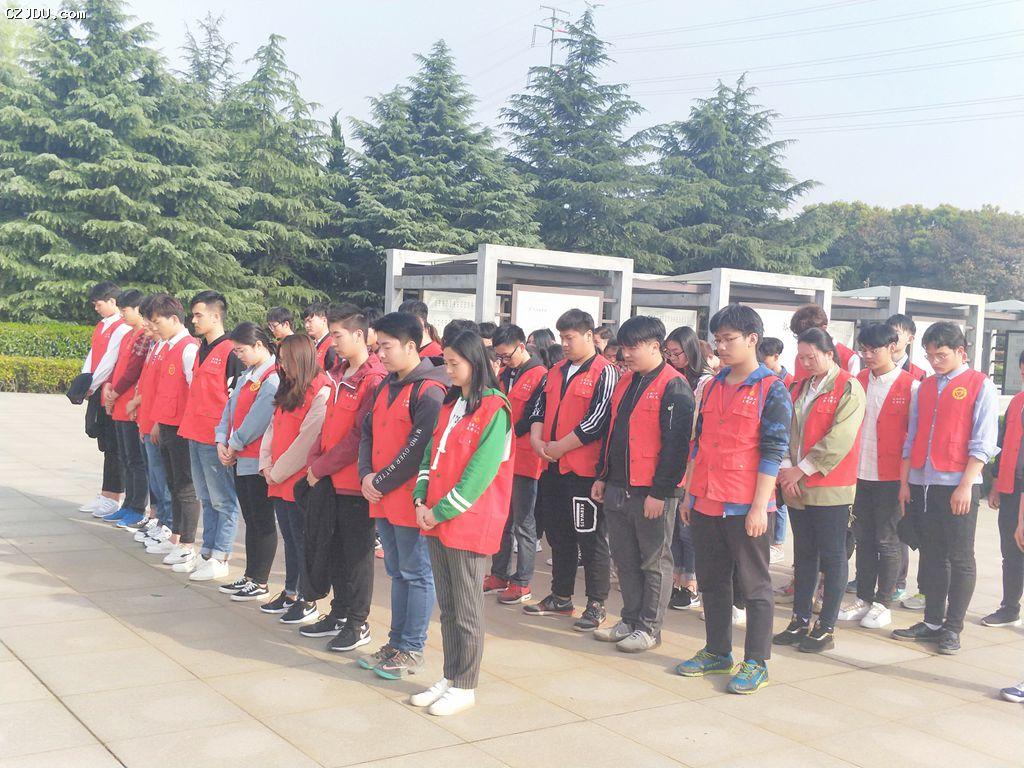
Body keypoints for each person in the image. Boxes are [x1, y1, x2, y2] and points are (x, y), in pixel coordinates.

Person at [675, 304, 791, 695]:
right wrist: (689, 495)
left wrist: (760, 507)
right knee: (712, 582)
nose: (721, 347)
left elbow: (773, 452)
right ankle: (717, 651)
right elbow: (698, 444)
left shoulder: (771, 389)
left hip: (745, 505)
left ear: (752, 339)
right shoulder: (711, 386)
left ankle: (756, 662)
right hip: (706, 499)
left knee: (754, 586)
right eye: (718, 340)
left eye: (729, 339)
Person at [410, 330, 515, 716]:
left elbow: (478, 475)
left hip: (467, 520)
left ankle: (466, 685)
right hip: (437, 517)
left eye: (455, 364)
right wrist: (420, 498)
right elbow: (430, 456)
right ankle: (451, 676)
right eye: (446, 363)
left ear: (475, 362)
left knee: (468, 609)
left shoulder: (495, 408)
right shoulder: (450, 404)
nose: (449, 370)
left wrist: (438, 511)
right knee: (450, 606)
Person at [891, 322, 998, 655]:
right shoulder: (924, 387)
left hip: (958, 484)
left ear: (960, 352)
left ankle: (953, 628)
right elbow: (911, 437)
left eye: (941, 355)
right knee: (933, 555)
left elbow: (984, 441)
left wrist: (966, 485)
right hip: (923, 483)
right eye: (930, 355)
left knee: (960, 557)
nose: (935, 361)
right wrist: (905, 482)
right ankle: (933, 621)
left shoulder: (980, 384)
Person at [592, 316, 694, 652]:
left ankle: (650, 628)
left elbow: (677, 446)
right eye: (623, 347)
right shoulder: (626, 381)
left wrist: (660, 492)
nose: (626, 354)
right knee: (624, 557)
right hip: (619, 486)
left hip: (651, 491)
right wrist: (603, 475)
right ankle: (630, 619)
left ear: (655, 346)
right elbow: (612, 434)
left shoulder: (674, 386)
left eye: (633, 347)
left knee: (654, 560)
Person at [357, 311, 447, 679]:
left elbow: (417, 449)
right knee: (397, 572)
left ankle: (412, 648)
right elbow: (367, 432)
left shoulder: (430, 391)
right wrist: (366, 474)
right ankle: (395, 644)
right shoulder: (386, 385)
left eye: (387, 347)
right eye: (377, 347)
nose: (380, 354)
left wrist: (380, 480)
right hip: (382, 497)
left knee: (416, 573)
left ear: (411, 346)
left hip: (409, 498)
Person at [300, 306, 386, 652]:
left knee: (357, 556)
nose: (333, 342)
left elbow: (357, 437)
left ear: (359, 335)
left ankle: (357, 621)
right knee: (333, 548)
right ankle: (339, 612)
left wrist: (319, 468)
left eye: (338, 335)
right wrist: (314, 462)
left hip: (354, 483)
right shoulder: (338, 373)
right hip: (329, 480)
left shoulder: (373, 379)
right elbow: (327, 427)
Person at [525, 308, 617, 632]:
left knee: (590, 538)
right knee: (558, 534)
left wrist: (559, 447)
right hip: (552, 468)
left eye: (570, 338)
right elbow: (538, 407)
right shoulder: (555, 371)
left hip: (583, 472)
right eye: (561, 338)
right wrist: (537, 440)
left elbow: (596, 421)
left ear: (589, 336)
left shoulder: (605, 372)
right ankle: (561, 596)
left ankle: (596, 603)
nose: (564, 344)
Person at [775, 328, 865, 653]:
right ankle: (799, 620)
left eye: (811, 357)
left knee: (833, 555)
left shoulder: (848, 387)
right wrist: (787, 469)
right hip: (795, 485)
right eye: (801, 357)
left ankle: (825, 627)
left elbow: (840, 438)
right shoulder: (798, 386)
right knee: (804, 555)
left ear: (829, 353)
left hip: (830, 487)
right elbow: (785, 428)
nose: (806, 362)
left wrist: (801, 469)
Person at [837, 323, 918, 631]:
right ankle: (864, 597)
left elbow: (914, 437)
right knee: (864, 538)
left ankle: (884, 603)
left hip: (891, 477)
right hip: (860, 474)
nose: (868, 355)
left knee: (887, 540)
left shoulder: (910, 386)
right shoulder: (857, 381)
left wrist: (908, 482)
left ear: (892, 347)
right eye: (864, 350)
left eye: (874, 349)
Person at [259, 335, 331, 623]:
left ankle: (307, 597)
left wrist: (276, 472)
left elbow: (307, 440)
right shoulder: (288, 387)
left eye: (287, 360)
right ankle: (291, 591)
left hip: (298, 480)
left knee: (303, 542)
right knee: (290, 539)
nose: (283, 366)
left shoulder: (321, 390)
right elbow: (272, 428)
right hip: (278, 478)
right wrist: (265, 464)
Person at [177, 291, 244, 580]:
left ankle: (221, 556)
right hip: (194, 432)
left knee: (223, 500)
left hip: (215, 437)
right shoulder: (200, 348)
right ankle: (207, 553)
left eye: (198, 315)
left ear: (216, 316)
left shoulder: (231, 351)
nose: (193, 320)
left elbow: (237, 399)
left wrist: (228, 439)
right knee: (206, 497)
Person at [215, 323, 280, 602]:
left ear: (258, 346)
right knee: (250, 519)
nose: (238, 356)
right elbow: (229, 409)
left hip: (256, 459)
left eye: (241, 350)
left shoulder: (272, 378)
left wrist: (234, 443)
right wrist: (221, 439)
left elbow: (258, 419)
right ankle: (250, 574)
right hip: (240, 456)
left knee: (261, 520)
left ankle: (261, 580)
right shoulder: (247, 375)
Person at [485, 324, 547, 604]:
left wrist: (504, 432)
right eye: (499, 357)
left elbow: (531, 417)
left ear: (521, 346)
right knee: (502, 519)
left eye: (507, 355)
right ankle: (499, 573)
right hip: (501, 457)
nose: (504, 361)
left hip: (525, 459)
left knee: (523, 522)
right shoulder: (504, 374)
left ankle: (522, 582)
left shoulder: (540, 375)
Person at [147, 294, 201, 572]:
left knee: (185, 486)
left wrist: (189, 428)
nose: (155, 327)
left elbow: (194, 391)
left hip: (182, 429)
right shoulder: (168, 346)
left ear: (174, 319)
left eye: (158, 322)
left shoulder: (188, 348)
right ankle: (176, 536)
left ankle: (187, 544)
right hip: (167, 425)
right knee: (173, 483)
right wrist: (158, 421)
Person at [77, 281, 130, 518]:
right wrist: (84, 380)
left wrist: (92, 384)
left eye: (98, 304)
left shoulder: (121, 327)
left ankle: (114, 496)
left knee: (114, 446)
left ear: (112, 301)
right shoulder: (102, 325)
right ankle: (106, 493)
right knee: (105, 443)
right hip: (98, 388)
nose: (96, 308)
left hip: (110, 390)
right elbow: (93, 355)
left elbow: (109, 360)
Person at [100, 289, 151, 528]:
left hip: (131, 407)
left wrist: (116, 392)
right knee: (126, 459)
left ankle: (138, 507)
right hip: (120, 405)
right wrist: (110, 386)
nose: (122, 315)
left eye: (125, 310)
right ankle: (128, 504)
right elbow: (118, 365)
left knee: (136, 461)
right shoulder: (128, 334)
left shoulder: (144, 336)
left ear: (138, 309)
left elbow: (133, 371)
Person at [983, 349, 1024, 628]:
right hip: (1011, 487)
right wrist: (996, 484)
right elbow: (1003, 444)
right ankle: (1010, 607)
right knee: (1010, 552)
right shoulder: (1017, 402)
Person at [128, 296, 174, 547]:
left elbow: (165, 392)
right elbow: (148, 384)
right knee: (155, 478)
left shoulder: (174, 348)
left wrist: (156, 420)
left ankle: (168, 524)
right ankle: (160, 520)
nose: (148, 326)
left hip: (158, 423)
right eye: (148, 321)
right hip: (146, 421)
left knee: (164, 480)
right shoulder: (156, 347)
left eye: (152, 321)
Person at [664, 326, 704, 610]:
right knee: (675, 527)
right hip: (674, 456)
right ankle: (677, 578)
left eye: (676, 352)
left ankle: (691, 583)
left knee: (687, 526)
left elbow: (696, 425)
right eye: (669, 353)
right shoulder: (672, 377)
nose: (672, 358)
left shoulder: (704, 381)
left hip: (693, 459)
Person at [758, 336, 793, 564]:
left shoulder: (787, 382)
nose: (762, 362)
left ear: (776, 357)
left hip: (781, 448)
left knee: (778, 500)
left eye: (765, 359)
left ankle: (778, 542)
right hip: (771, 448)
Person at [789, 304, 859, 378]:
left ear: (824, 328)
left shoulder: (850, 358)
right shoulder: (801, 357)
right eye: (799, 337)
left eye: (810, 336)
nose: (806, 363)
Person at [887, 314, 928, 382]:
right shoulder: (873, 368)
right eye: (889, 332)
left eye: (897, 333)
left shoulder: (919, 375)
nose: (891, 336)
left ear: (910, 339)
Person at [303, 302, 338, 371]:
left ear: (324, 320)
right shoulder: (313, 344)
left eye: (310, 321)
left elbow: (333, 374)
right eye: (305, 322)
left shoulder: (332, 345)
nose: (306, 325)